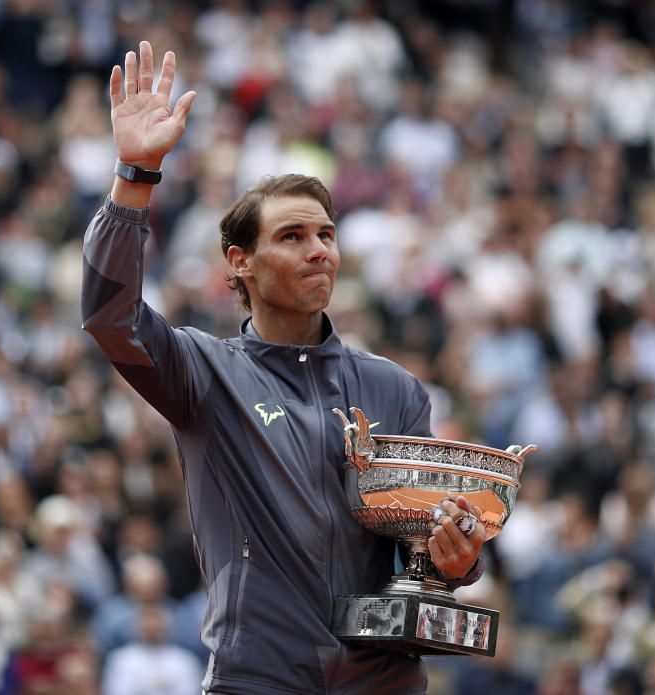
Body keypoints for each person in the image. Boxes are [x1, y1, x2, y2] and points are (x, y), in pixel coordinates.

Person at [81, 41, 486, 694]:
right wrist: (135, 176)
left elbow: (423, 557)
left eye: (326, 235)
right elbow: (109, 314)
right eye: (292, 237)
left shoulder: (395, 387)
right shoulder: (203, 372)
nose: (319, 250)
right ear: (238, 260)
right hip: (257, 679)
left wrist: (456, 559)